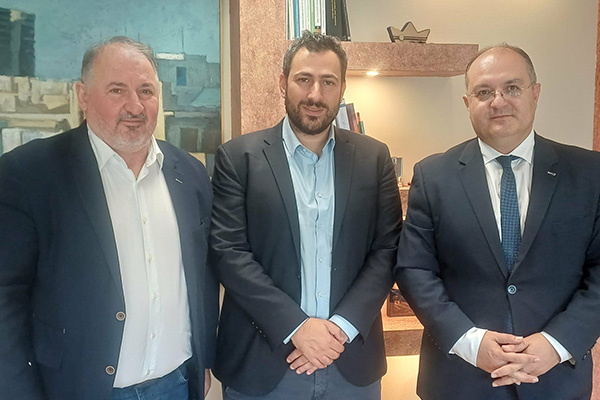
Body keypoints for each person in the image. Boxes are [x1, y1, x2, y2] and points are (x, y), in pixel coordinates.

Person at [0, 36, 218, 400]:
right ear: (83, 96)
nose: (135, 106)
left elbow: (203, 276)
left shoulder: (190, 174)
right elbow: (6, 298)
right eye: (117, 90)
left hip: (176, 384)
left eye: (146, 91)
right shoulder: (29, 175)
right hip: (76, 389)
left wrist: (203, 362)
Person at [395, 43, 600, 400]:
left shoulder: (589, 173)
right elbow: (414, 269)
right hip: (459, 379)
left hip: (556, 380)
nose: (498, 101)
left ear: (535, 93)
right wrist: (470, 342)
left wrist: (556, 343)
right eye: (484, 92)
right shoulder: (433, 176)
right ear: (467, 103)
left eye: (512, 88)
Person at [209, 31, 402, 399]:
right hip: (263, 363)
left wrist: (340, 329)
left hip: (351, 360)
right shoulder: (238, 158)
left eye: (328, 82)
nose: (315, 94)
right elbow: (228, 253)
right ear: (283, 83)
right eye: (304, 79)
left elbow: (388, 249)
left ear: (342, 88)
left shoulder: (374, 158)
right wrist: (296, 327)